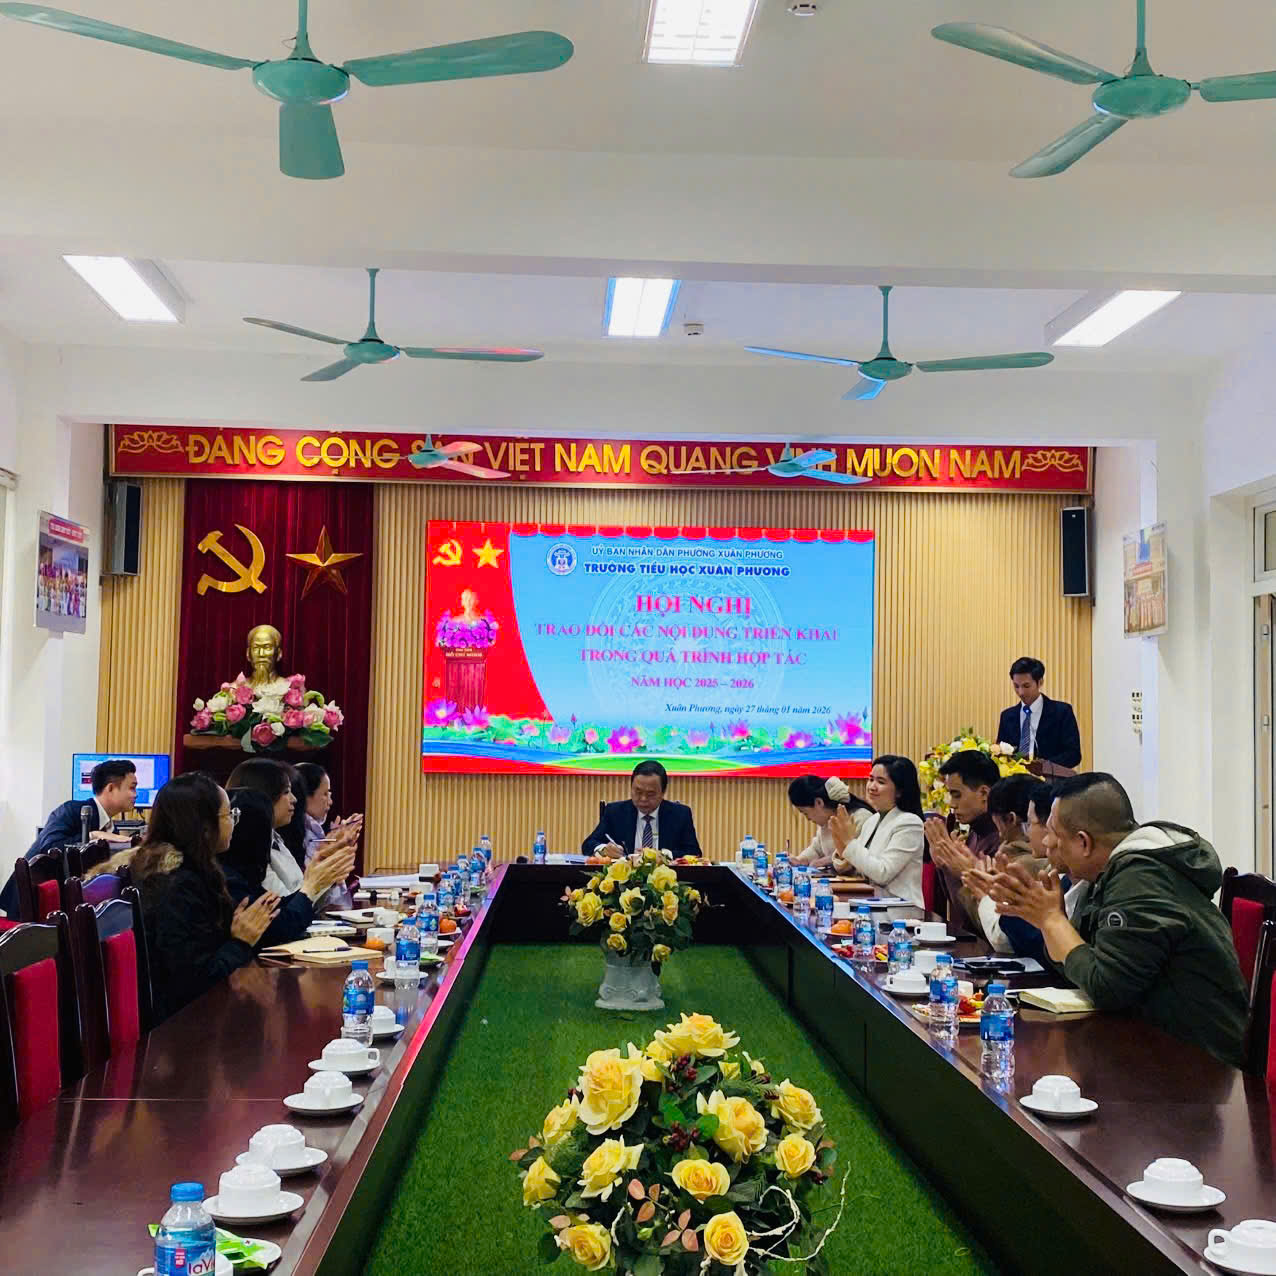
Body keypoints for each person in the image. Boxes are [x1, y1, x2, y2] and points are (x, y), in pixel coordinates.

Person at [988, 772, 1249, 1067]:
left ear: (1083, 842)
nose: (1046, 842)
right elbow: (1077, 969)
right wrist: (1048, 920)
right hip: (1147, 1046)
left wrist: (1053, 921)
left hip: (1199, 1063)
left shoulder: (1140, 880)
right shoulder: (1109, 873)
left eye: (1054, 834)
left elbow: (1107, 988)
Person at [131, 772, 281, 1024]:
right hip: (178, 1028)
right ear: (204, 827)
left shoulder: (191, 871)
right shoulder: (177, 886)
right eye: (229, 815)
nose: (233, 823)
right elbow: (196, 983)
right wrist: (241, 942)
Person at [0, 759, 138, 917]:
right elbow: (50, 847)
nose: (136, 794)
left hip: (65, 906)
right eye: (132, 788)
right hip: (30, 906)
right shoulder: (71, 810)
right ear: (111, 788)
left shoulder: (110, 827)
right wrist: (91, 836)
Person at [222, 788, 353, 944]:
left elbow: (279, 906)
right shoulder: (228, 878)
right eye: (229, 816)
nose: (294, 799)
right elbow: (278, 926)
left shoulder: (242, 867)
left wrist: (319, 879)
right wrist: (311, 887)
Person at [957, 775, 1052, 953]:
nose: (1048, 839)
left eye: (1031, 824)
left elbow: (1001, 938)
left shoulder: (1025, 865)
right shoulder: (1009, 854)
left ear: (1010, 819)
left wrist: (976, 886)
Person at [826, 755, 925, 908]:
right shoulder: (873, 820)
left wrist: (848, 842)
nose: (872, 786)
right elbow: (850, 867)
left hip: (901, 911)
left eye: (881, 782)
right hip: (870, 904)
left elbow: (882, 873)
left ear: (899, 791)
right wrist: (841, 847)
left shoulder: (910, 823)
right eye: (871, 779)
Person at [926, 749, 1002, 931]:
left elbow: (981, 922)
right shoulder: (974, 832)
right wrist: (944, 865)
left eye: (957, 795)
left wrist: (959, 870)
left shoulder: (1000, 840)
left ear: (984, 793)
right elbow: (955, 910)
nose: (952, 804)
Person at [582, 760, 701, 858]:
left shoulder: (680, 814)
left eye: (650, 794)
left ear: (663, 792)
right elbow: (588, 844)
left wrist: (665, 855)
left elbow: (694, 853)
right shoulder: (615, 812)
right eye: (638, 792)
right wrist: (604, 850)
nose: (643, 799)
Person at [294, 762, 362, 910]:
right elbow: (317, 895)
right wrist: (335, 850)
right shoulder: (297, 834)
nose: (330, 802)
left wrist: (337, 844)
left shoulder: (314, 829)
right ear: (305, 796)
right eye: (325, 794)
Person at [995, 657, 1082, 770]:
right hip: (1015, 778)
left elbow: (1073, 754)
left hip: (1050, 778)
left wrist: (1042, 767)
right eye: (1016, 686)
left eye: (1026, 686)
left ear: (1040, 682)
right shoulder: (1007, 716)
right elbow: (1001, 753)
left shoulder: (1061, 712)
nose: (1021, 692)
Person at [787, 776, 874, 868]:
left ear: (819, 802)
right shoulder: (827, 821)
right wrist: (800, 860)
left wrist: (827, 861)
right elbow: (816, 849)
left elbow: (858, 856)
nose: (808, 819)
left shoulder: (861, 817)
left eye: (805, 813)